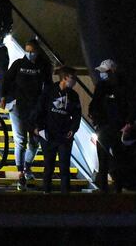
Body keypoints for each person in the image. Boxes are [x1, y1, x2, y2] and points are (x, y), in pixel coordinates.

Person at [0, 38, 51, 191]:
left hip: (35, 108)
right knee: (20, 140)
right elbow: (7, 80)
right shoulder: (18, 64)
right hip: (18, 106)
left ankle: (27, 166)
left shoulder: (43, 66)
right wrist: (3, 97)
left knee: (34, 141)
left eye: (32, 51)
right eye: (27, 51)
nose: (29, 54)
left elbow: (47, 86)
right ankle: (21, 172)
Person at [89, 59, 136, 193]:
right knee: (103, 160)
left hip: (119, 128)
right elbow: (94, 104)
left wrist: (128, 123)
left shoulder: (124, 88)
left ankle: (119, 188)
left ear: (113, 71)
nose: (102, 75)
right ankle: (104, 189)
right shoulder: (101, 87)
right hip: (104, 128)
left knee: (120, 160)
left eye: (105, 72)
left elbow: (132, 107)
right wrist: (94, 118)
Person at [35, 66, 82, 194]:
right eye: (73, 78)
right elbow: (40, 110)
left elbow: (77, 115)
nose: (75, 81)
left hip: (64, 137)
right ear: (65, 78)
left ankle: (65, 196)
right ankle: (46, 193)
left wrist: (73, 129)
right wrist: (39, 128)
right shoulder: (49, 91)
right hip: (49, 135)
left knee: (64, 168)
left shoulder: (73, 95)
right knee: (48, 167)